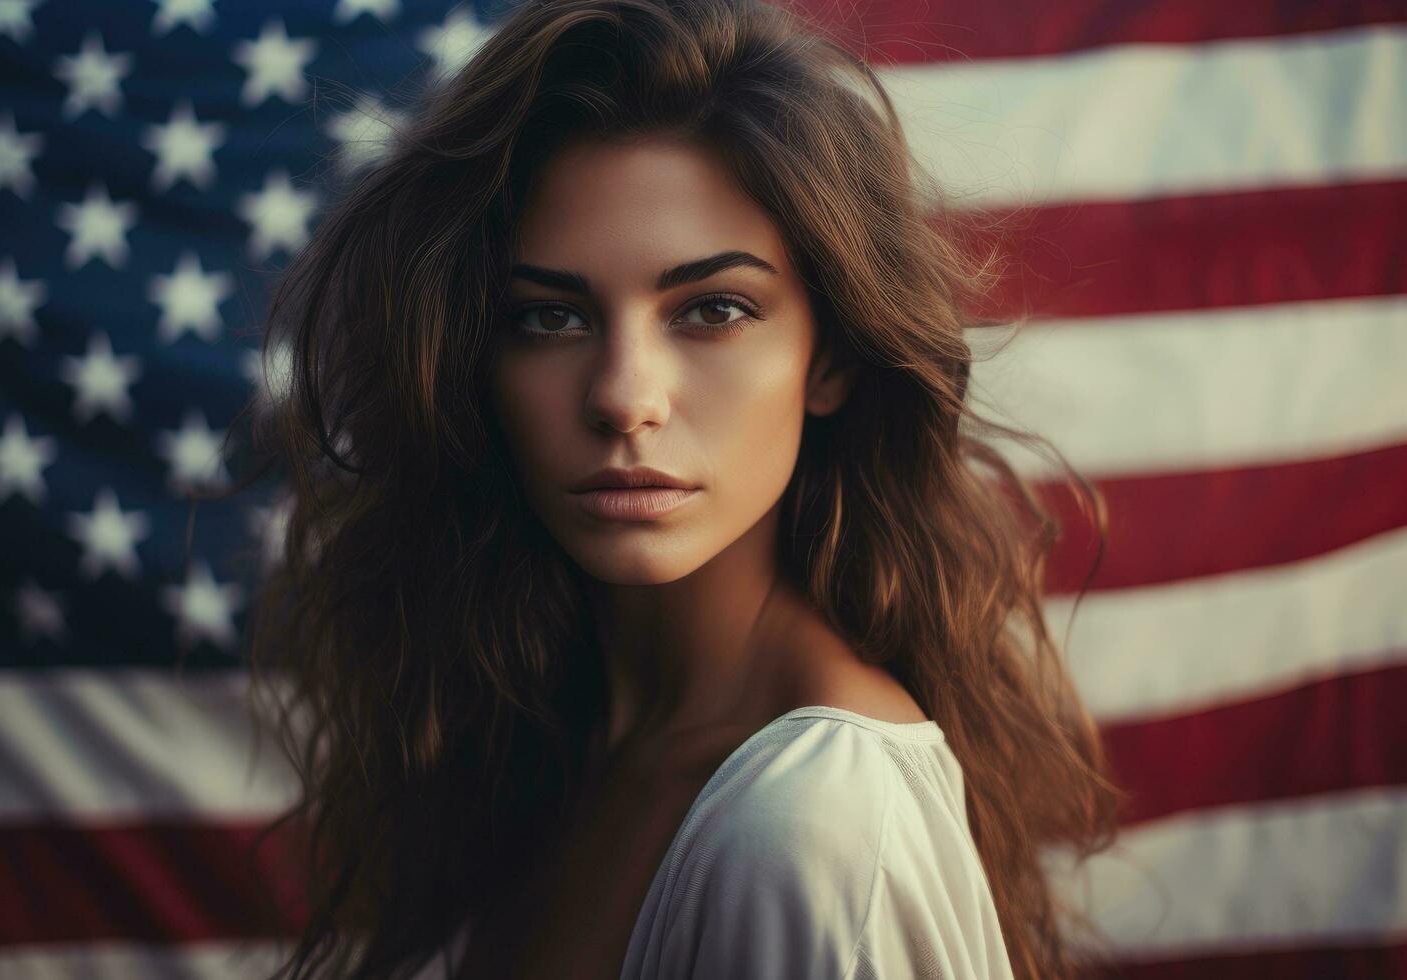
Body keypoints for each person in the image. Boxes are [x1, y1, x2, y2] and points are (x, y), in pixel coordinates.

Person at [218, 0, 1126, 977]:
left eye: (713, 309)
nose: (623, 397)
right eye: (549, 318)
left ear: (832, 357)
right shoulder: (552, 745)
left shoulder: (814, 830)